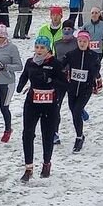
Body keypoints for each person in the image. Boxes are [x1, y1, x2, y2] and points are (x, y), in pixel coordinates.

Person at [17, 36, 68, 181]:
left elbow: (65, 84)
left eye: (42, 48)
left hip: (49, 104)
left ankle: (46, 163)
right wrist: (20, 87)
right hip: (32, 102)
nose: (39, 50)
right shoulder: (30, 62)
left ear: (48, 49)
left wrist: (51, 81)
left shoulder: (55, 64)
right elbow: (24, 76)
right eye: (37, 47)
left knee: (47, 134)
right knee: (27, 133)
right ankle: (28, 168)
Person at [61, 31, 101, 152]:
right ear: (77, 41)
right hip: (72, 88)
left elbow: (96, 70)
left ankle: (79, 137)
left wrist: (95, 80)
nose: (82, 43)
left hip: (86, 89)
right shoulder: (71, 54)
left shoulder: (93, 55)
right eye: (80, 41)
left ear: (88, 42)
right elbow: (61, 66)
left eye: (84, 41)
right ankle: (80, 134)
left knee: (77, 111)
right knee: (73, 111)